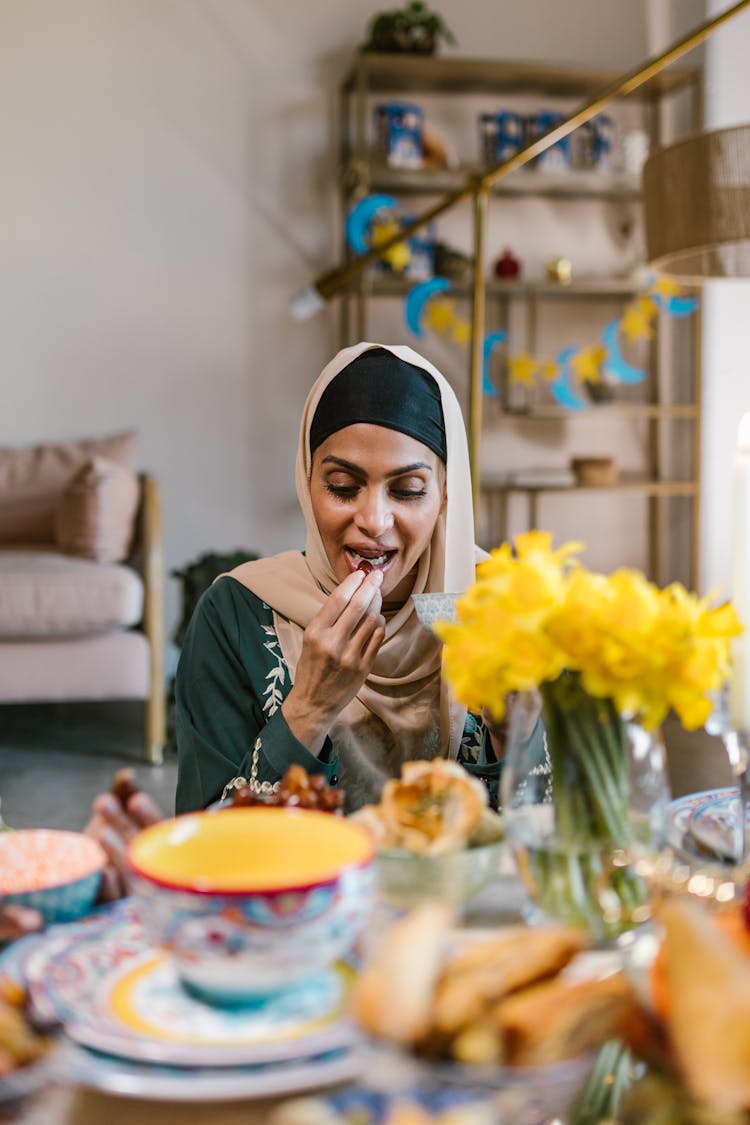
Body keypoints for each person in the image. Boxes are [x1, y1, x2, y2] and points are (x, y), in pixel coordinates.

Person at [175, 342, 514, 815]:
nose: (374, 519)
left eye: (408, 490)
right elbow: (201, 846)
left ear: (445, 496)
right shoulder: (236, 612)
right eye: (342, 486)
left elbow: (574, 841)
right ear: (307, 481)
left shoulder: (507, 608)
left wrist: (513, 731)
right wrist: (309, 707)